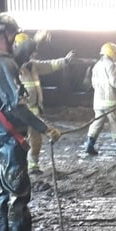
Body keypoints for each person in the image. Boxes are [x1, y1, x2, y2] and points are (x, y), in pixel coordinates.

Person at [0, 13, 62, 231]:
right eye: (13, 34)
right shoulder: (2, 64)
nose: (15, 39)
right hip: (10, 138)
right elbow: (16, 105)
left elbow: (18, 57)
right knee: (19, 195)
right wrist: (44, 128)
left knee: (5, 192)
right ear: (6, 34)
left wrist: (35, 40)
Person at [13, 32, 75, 174]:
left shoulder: (32, 65)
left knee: (35, 141)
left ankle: (33, 166)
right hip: (20, 112)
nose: (32, 54)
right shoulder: (13, 67)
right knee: (18, 142)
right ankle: (18, 167)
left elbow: (49, 65)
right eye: (29, 51)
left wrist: (65, 61)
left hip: (34, 110)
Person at [86, 42, 116, 155]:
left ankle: (89, 145)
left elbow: (93, 84)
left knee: (97, 123)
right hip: (110, 101)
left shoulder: (97, 66)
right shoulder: (111, 65)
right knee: (115, 123)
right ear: (112, 53)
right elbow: (114, 82)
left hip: (98, 101)